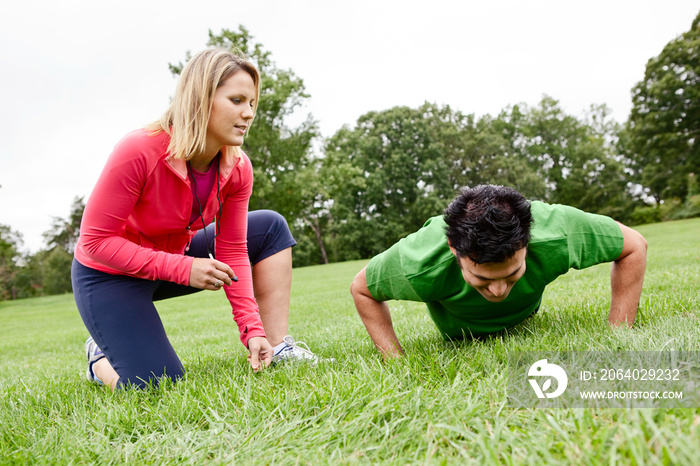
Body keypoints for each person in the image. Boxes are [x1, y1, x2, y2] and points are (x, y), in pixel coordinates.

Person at [73, 48, 325, 390]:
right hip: (108, 276)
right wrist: (184, 269)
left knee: (269, 227)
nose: (248, 113)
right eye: (237, 100)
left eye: (251, 102)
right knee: (157, 383)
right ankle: (99, 357)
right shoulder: (138, 150)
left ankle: (276, 346)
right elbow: (95, 242)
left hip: (174, 257)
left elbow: (233, 249)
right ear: (200, 99)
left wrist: (252, 329)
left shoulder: (238, 168)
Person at [350, 185, 648, 357]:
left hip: (526, 316)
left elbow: (634, 245)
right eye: (483, 278)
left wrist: (619, 333)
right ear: (455, 251)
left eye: (511, 274)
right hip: (462, 335)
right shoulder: (419, 262)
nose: (498, 290)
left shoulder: (558, 231)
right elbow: (362, 288)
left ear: (527, 244)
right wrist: (396, 361)